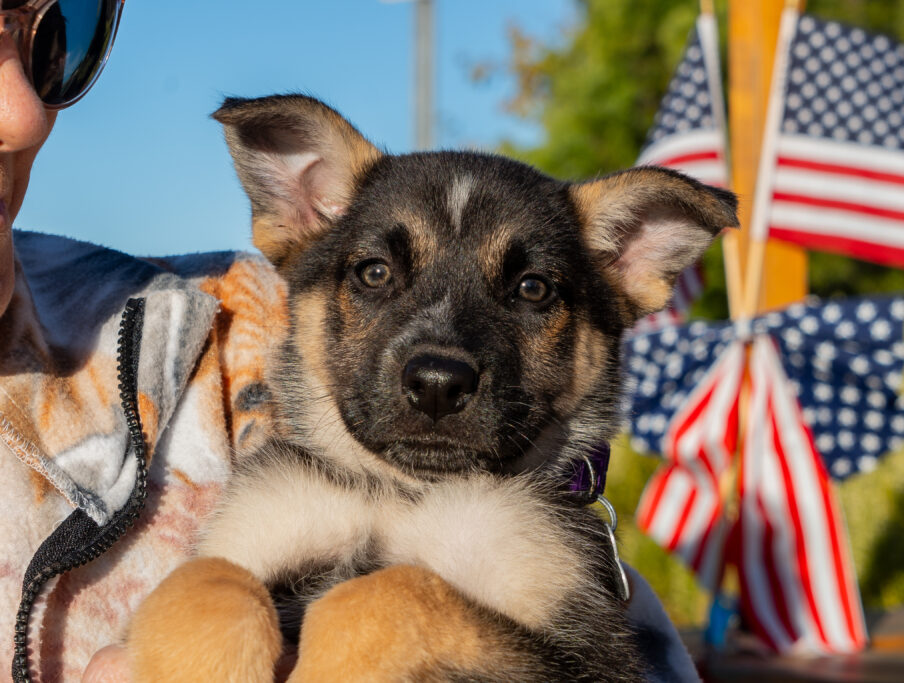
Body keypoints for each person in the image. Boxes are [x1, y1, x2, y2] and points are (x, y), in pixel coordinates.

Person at [0, 2, 700, 681]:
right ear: (299, 219)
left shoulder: (215, 332)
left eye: (530, 291)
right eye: (375, 273)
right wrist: (195, 615)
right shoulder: (278, 486)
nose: (440, 359)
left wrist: (406, 622)